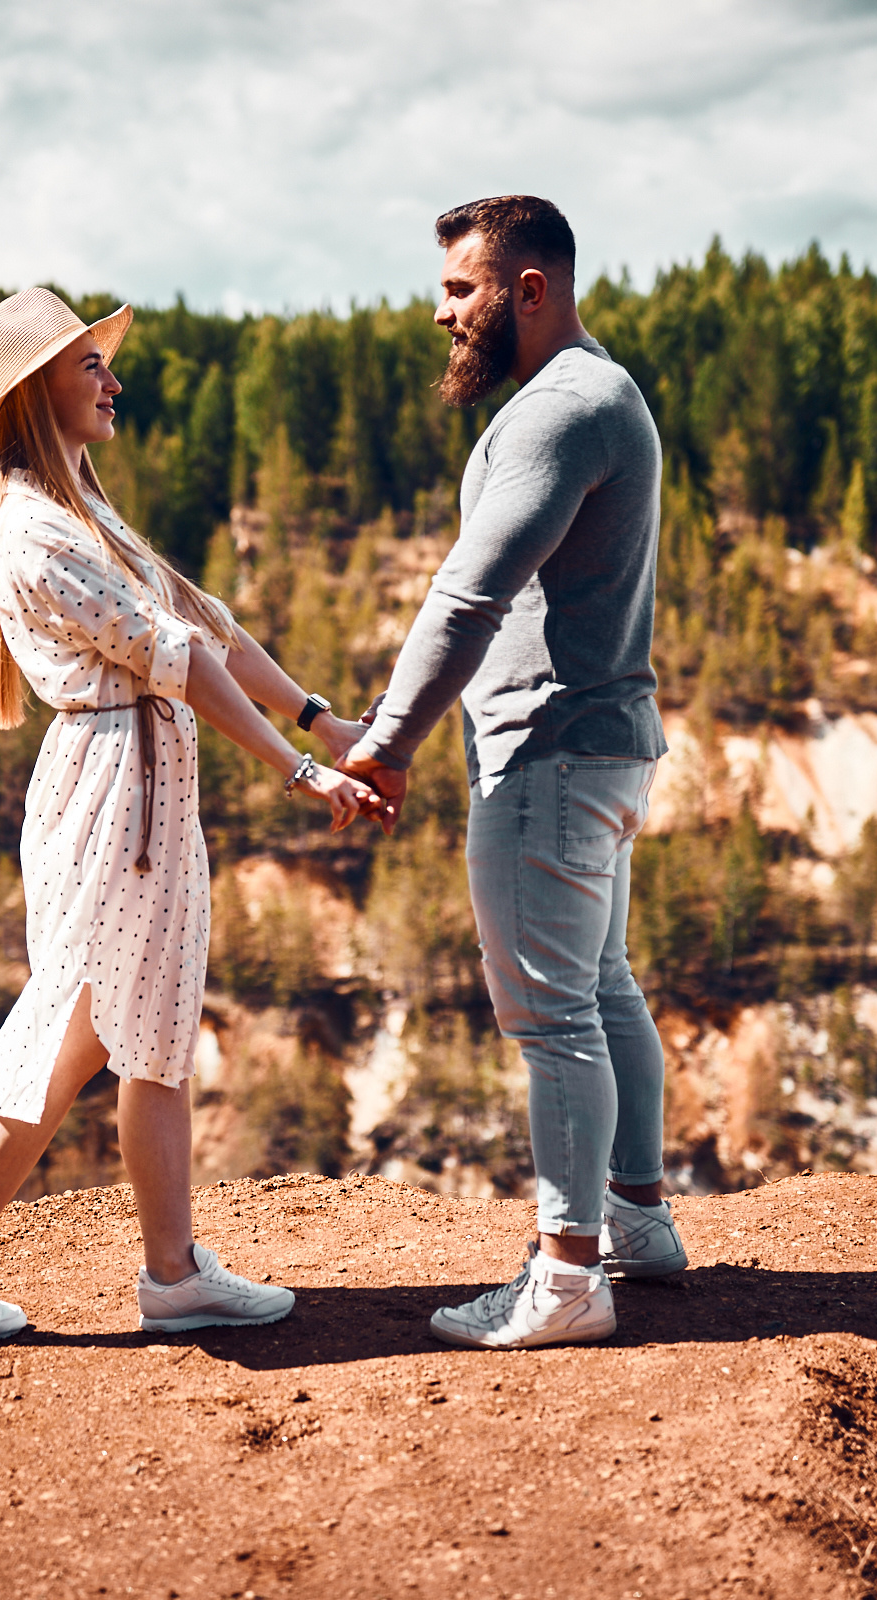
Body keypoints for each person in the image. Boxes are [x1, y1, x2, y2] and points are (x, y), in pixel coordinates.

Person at [0, 287, 380, 1342]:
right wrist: (300, 770)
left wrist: (321, 720)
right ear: (35, 396)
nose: (115, 380)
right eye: (89, 368)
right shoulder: (36, 533)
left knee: (146, 1032)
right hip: (115, 798)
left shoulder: (80, 511)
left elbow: (205, 624)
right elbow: (181, 658)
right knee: (71, 1038)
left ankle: (167, 1272)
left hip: (141, 789)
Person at [342, 196, 686, 1350]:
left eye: (460, 290)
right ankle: (636, 1224)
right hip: (604, 743)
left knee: (552, 1019)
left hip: (547, 753)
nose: (442, 314)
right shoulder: (603, 394)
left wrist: (387, 745)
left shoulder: (562, 409)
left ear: (528, 289)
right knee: (604, 991)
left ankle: (568, 1277)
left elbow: (469, 596)